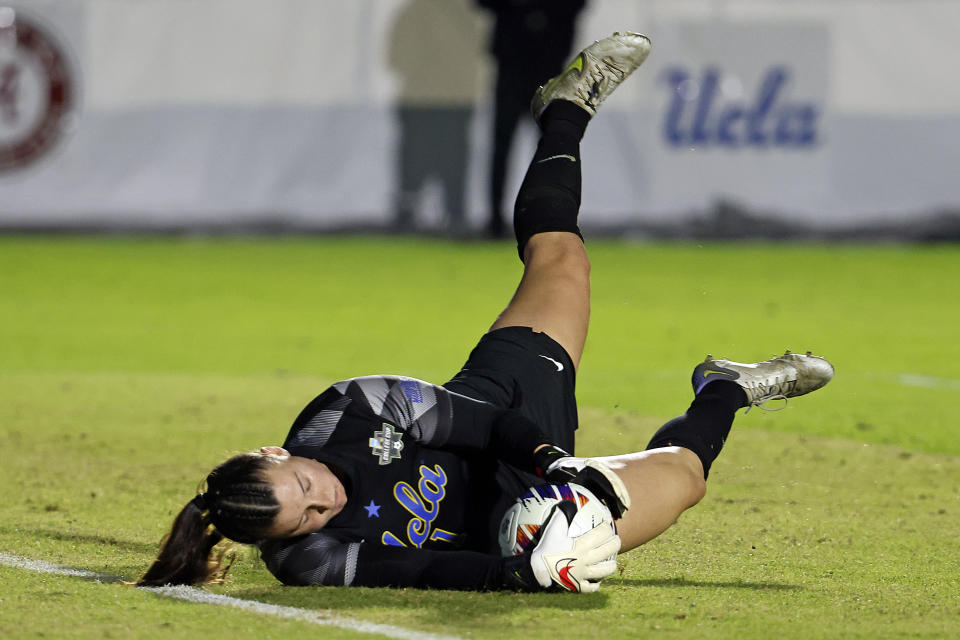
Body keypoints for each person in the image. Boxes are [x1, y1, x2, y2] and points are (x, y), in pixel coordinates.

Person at [138, 32, 834, 593]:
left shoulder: (347, 412)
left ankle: (565, 107)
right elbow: (423, 571)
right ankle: (726, 388)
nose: (324, 506)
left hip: (499, 409)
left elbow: (484, 423)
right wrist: (524, 571)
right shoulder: (309, 561)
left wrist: (552, 462)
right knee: (685, 479)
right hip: (518, 521)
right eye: (307, 517)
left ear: (276, 453)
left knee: (562, 261)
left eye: (306, 487)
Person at [476, 0, 587, 238]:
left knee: (555, 146)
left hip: (549, 59)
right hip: (512, 60)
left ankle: (555, 218)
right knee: (504, 145)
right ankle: (495, 220)